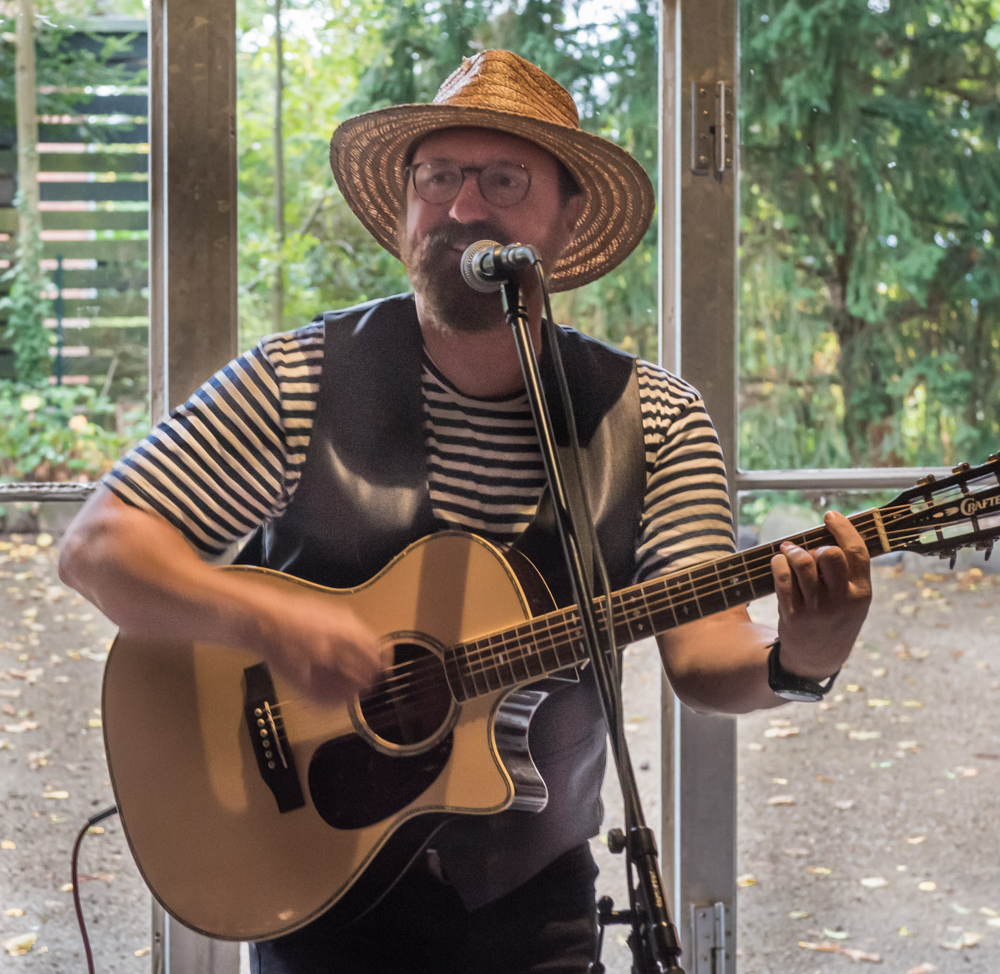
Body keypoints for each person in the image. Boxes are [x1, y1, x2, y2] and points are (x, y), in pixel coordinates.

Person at [58, 50, 872, 973]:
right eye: (435, 177)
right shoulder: (299, 381)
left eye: (503, 179)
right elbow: (97, 549)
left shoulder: (654, 420)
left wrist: (804, 661)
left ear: (566, 219)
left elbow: (704, 656)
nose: (460, 208)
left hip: (536, 910)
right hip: (313, 883)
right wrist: (275, 618)